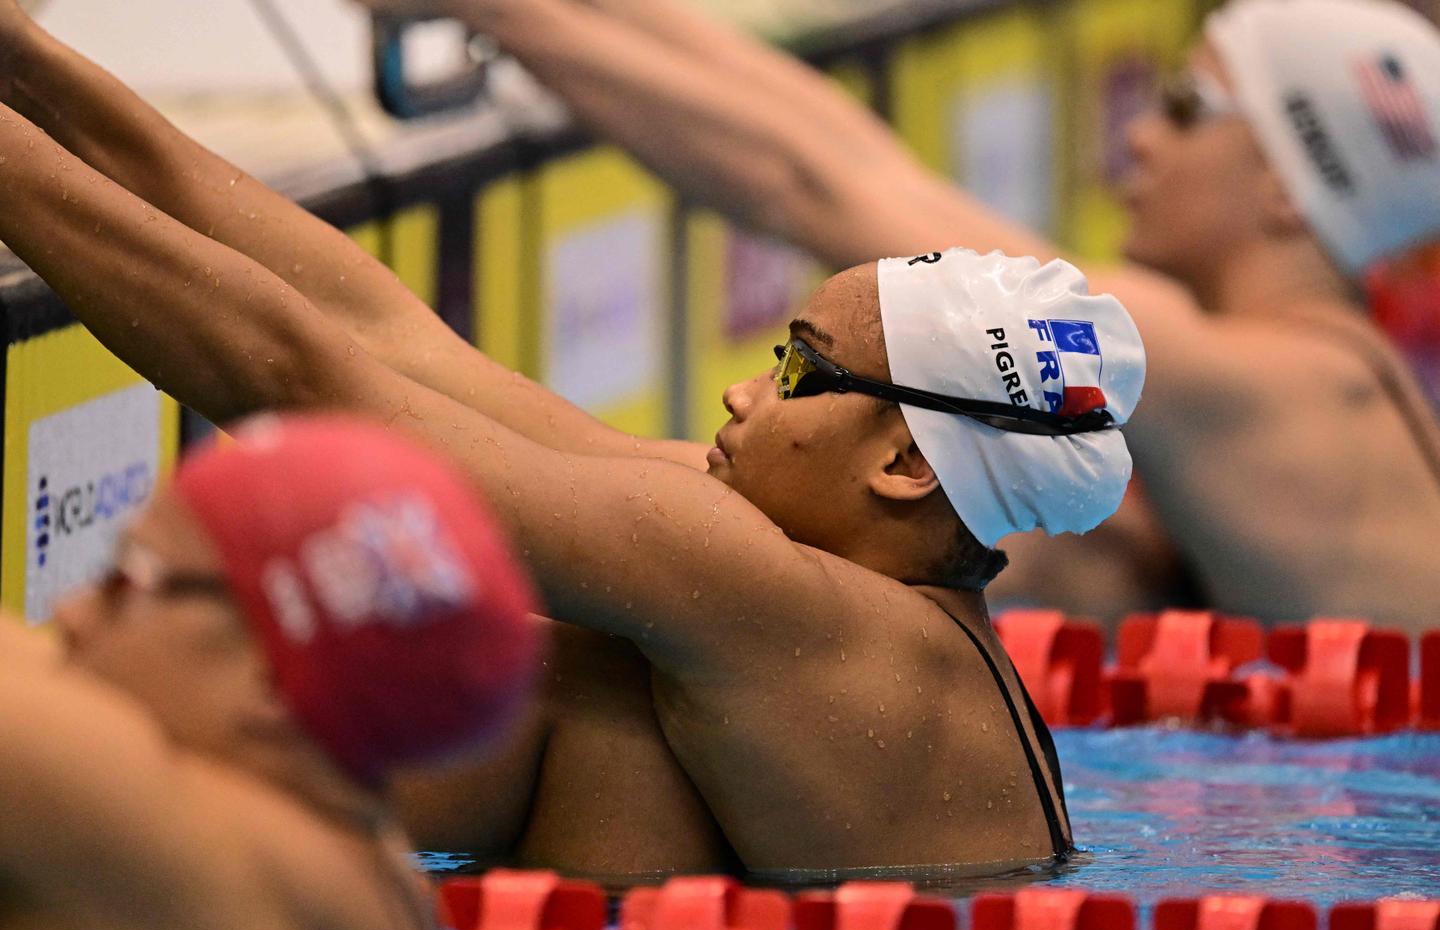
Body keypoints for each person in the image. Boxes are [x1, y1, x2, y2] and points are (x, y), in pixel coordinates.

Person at [0, 5, 1149, 875]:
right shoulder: (813, 587)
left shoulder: (783, 603)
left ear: (903, 464)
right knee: (611, 718)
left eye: (798, 367)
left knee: (576, 690)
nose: (747, 392)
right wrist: (29, 61)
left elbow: (300, 381)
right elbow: (389, 340)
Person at [360, 0, 1440, 633]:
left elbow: (815, 185)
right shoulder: (1322, 383)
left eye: (1187, 105)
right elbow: (844, 148)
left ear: (1294, 190)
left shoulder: (1257, 390)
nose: (1143, 135)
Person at [0, 413, 541, 930]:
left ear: (273, 684)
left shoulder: (183, 841)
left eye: (123, 579)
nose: (68, 612)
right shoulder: (362, 862)